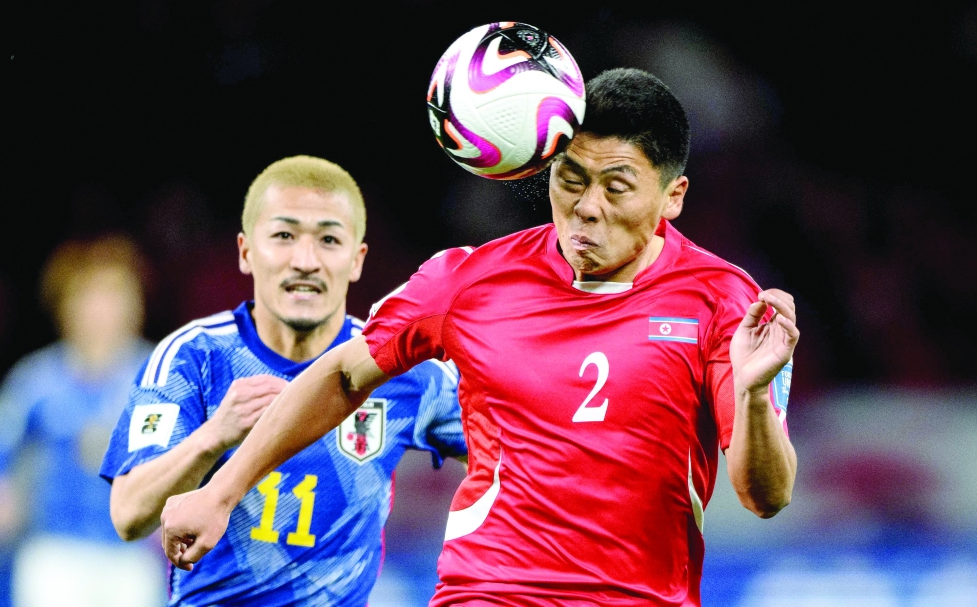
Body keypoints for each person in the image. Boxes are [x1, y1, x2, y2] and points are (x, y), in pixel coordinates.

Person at [160, 70, 799, 606]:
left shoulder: (723, 301)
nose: (587, 206)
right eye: (570, 179)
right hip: (489, 590)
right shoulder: (470, 279)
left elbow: (764, 496)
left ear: (673, 196)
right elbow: (341, 375)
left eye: (617, 186)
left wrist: (751, 396)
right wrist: (221, 491)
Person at [101, 156, 467, 606]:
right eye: (284, 236)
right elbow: (128, 516)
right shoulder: (193, 357)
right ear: (246, 252)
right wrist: (214, 436)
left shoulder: (400, 369)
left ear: (357, 260)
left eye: (329, 240)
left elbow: (514, 457)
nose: (306, 261)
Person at [0, 235, 165, 607]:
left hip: (131, 557)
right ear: (64, 306)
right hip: (54, 552)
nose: (101, 310)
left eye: (114, 296)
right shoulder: (38, 380)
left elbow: (199, 453)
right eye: (89, 297)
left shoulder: (159, 381)